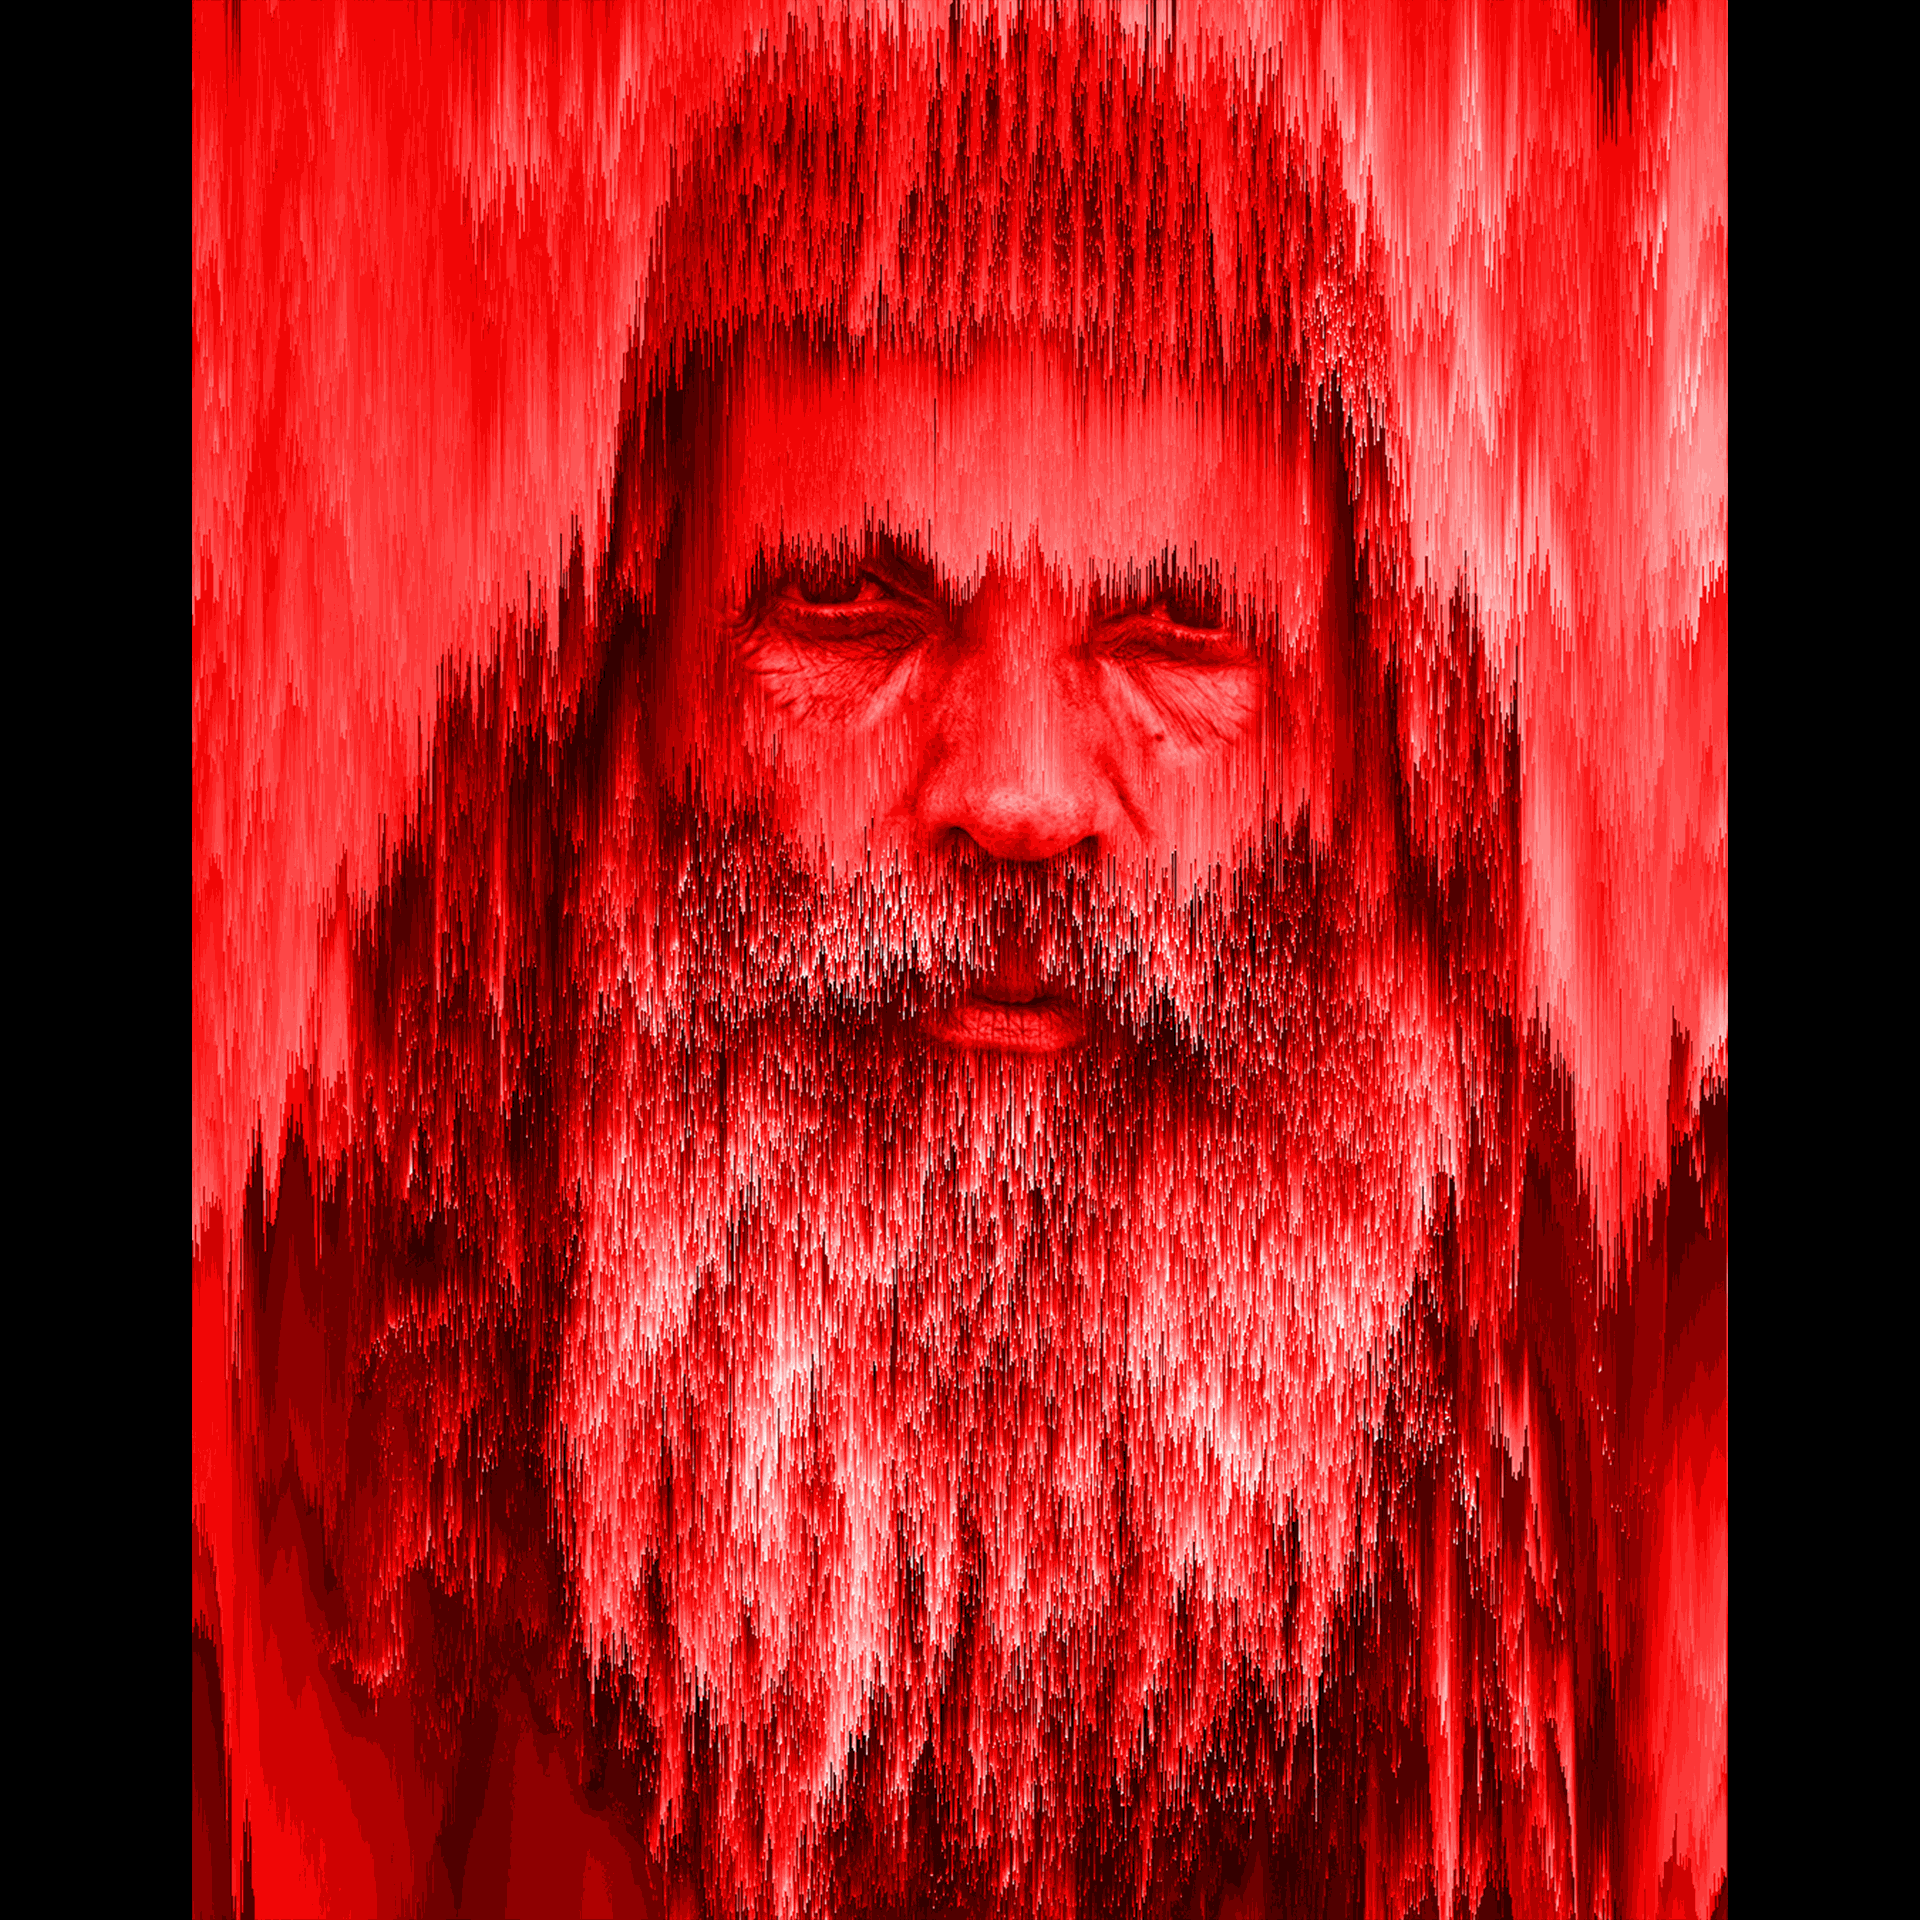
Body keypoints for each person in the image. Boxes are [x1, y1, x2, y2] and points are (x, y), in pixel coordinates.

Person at [194, 15, 1724, 1918]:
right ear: (613, 718)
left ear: (1371, 758)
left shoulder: (1626, 1479)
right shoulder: (279, 1452)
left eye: (1175, 633)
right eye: (852, 610)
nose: (1014, 793)